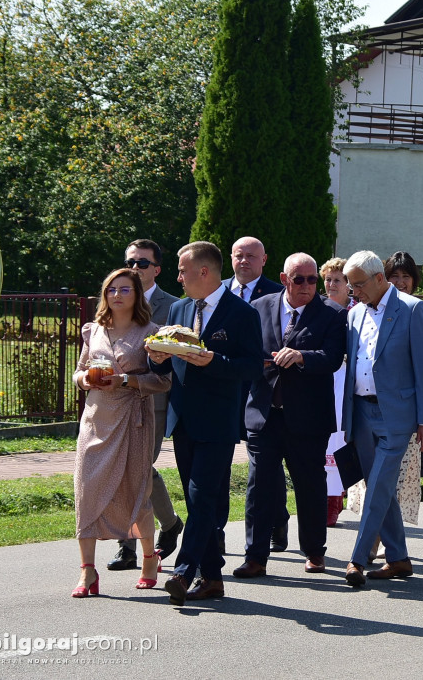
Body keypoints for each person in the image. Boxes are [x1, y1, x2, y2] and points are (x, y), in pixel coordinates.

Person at [147, 241, 264, 605]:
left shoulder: (241, 313)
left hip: (217, 421)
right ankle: (213, 578)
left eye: (182, 270)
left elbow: (251, 368)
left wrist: (212, 361)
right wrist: (156, 357)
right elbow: (166, 364)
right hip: (182, 420)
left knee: (201, 498)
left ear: (203, 272)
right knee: (201, 503)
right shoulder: (179, 308)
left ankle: (184, 573)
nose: (178, 277)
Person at [232, 253, 346, 579]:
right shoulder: (259, 307)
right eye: (300, 279)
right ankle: (255, 556)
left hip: (308, 419)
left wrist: (300, 356)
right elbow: (247, 354)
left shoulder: (333, 314)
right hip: (264, 415)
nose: (308, 286)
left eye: (313, 279)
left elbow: (332, 358)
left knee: (309, 486)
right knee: (259, 487)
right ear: (285, 279)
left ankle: (314, 552)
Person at [71, 269, 171, 597]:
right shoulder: (94, 330)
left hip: (133, 420)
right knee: (86, 492)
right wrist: (84, 380)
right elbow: (79, 370)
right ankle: (87, 571)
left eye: (124, 289)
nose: (116, 295)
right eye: (111, 289)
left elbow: (163, 382)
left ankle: (148, 559)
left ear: (136, 295)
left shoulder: (151, 333)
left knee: (136, 494)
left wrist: (126, 381)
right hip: (96, 419)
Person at [340, 251, 423, 587]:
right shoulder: (354, 315)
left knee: (379, 486)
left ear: (379, 278)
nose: (354, 292)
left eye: (359, 285)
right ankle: (398, 558)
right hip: (362, 414)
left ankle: (356, 559)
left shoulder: (412, 310)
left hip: (396, 416)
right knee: (379, 488)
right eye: (351, 286)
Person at [107, 239, 184, 573]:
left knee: (137, 469)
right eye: (130, 262)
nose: (135, 268)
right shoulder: (115, 301)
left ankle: (147, 538)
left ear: (157, 269)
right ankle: (158, 531)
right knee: (126, 471)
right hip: (117, 403)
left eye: (142, 263)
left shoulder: (174, 306)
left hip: (153, 401)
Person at [223, 236, 285, 552]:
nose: (244, 261)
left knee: (264, 465)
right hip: (225, 388)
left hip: (262, 389)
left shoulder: (277, 293)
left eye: (251, 256)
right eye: (238, 255)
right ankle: (214, 532)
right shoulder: (217, 291)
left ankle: (278, 519)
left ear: (264, 260)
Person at [321, 257, 353, 525]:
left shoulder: (356, 312)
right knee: (324, 441)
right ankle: (326, 499)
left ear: (348, 284)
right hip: (323, 380)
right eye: (328, 279)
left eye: (337, 280)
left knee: (342, 439)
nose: (331, 284)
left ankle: (336, 499)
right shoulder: (317, 309)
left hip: (348, 381)